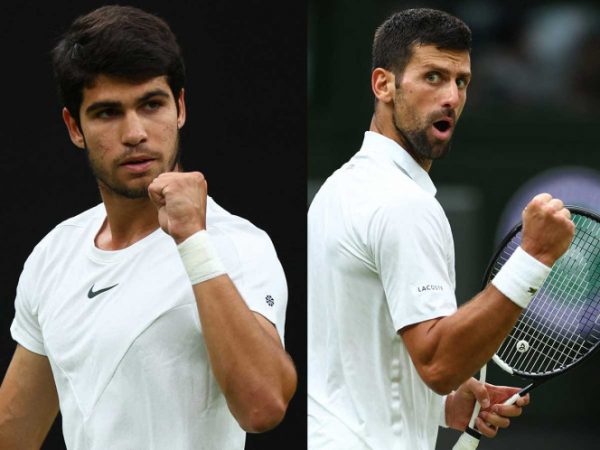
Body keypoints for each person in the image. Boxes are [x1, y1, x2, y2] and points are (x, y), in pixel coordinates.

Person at [0, 5, 297, 449]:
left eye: (151, 104)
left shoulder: (237, 245)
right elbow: (13, 431)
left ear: (180, 108)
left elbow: (264, 406)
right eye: (107, 113)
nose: (135, 132)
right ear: (74, 127)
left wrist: (193, 240)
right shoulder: (54, 254)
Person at [307, 8, 574, 450]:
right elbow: (439, 364)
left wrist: (438, 407)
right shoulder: (403, 204)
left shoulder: (336, 190)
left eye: (461, 81)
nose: (451, 96)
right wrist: (534, 257)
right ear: (384, 85)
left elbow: (346, 361)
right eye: (433, 77)